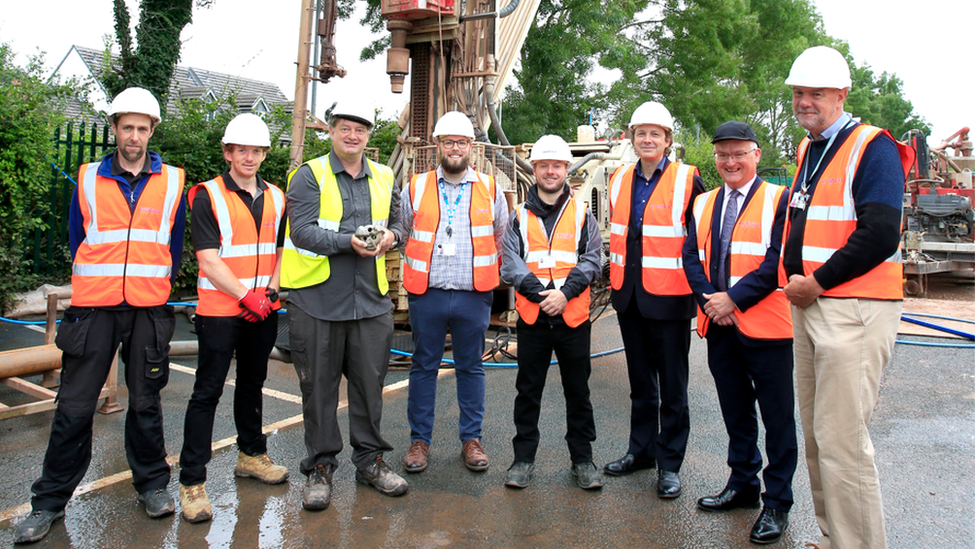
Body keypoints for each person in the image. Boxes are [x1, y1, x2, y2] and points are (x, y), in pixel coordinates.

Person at [13, 87, 186, 544]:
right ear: (115, 129)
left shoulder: (172, 181)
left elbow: (175, 245)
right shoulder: (89, 178)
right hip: (95, 308)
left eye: (142, 128)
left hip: (148, 307)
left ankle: (152, 485)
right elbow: (78, 239)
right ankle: (48, 502)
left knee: (146, 402)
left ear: (152, 131)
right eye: (126, 127)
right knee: (73, 406)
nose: (134, 136)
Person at [781, 46, 912, 549]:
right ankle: (836, 537)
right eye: (799, 93)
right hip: (815, 306)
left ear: (841, 94)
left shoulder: (870, 146)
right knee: (819, 437)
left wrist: (816, 282)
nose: (805, 102)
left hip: (853, 308)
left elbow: (881, 232)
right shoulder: (809, 149)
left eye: (816, 93)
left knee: (843, 442)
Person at [281, 100, 408, 511]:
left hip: (370, 303)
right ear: (331, 131)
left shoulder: (386, 176)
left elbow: (401, 222)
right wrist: (346, 243)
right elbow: (300, 231)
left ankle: (370, 461)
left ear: (369, 134)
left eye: (360, 129)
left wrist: (392, 238)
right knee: (317, 389)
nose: (352, 135)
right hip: (318, 300)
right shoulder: (308, 175)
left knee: (370, 389)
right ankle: (320, 466)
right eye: (344, 128)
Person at [682, 121, 796, 544]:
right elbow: (691, 255)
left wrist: (734, 299)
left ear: (756, 155)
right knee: (736, 410)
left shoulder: (778, 199)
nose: (730, 162)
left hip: (766, 326)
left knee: (777, 417)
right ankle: (743, 482)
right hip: (720, 323)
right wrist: (712, 299)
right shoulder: (704, 202)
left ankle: (778, 502)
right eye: (722, 155)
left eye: (738, 154)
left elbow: (778, 260)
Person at [178, 113, 288, 523]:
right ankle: (192, 481)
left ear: (263, 154)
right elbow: (208, 259)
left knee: (253, 384)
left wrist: (271, 293)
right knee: (206, 391)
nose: (249, 157)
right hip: (222, 311)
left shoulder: (277, 196)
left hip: (263, 308)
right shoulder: (206, 195)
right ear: (228, 152)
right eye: (241, 150)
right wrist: (246, 296)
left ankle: (252, 455)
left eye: (256, 151)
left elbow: (280, 252)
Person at [604, 101, 704, 499]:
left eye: (655, 134)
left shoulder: (686, 179)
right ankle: (640, 451)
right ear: (631, 137)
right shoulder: (619, 178)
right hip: (630, 298)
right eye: (641, 133)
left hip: (671, 299)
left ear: (667, 139)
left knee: (674, 387)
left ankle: (669, 464)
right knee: (640, 384)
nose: (647, 139)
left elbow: (698, 240)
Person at [400, 111, 508, 475]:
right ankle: (419, 442)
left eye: (461, 142)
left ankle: (471, 440)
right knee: (423, 367)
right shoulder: (414, 187)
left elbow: (500, 237)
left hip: (472, 294)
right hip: (427, 293)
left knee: (471, 367)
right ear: (438, 146)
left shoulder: (490, 189)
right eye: (448, 142)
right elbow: (405, 233)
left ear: (471, 148)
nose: (455, 148)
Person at [500, 135, 603, 490]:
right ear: (534, 169)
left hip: (572, 317)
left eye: (556, 165)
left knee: (578, 391)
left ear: (565, 170)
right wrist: (539, 294)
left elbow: (593, 259)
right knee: (528, 391)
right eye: (543, 165)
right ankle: (523, 460)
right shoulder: (518, 216)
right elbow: (509, 261)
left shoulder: (582, 214)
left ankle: (583, 460)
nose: (550, 171)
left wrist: (564, 294)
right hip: (533, 318)